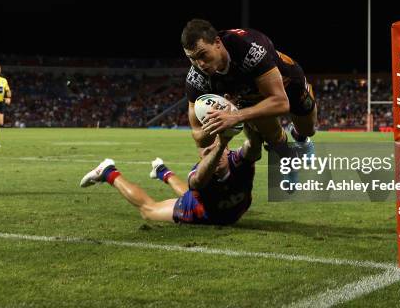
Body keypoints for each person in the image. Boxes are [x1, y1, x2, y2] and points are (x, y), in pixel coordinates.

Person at [181, 19, 316, 159]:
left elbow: (281, 103)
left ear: (217, 42)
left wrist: (235, 116)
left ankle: (300, 137)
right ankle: (288, 163)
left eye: (203, 54)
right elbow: (198, 137)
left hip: (288, 82)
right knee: (273, 137)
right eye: (193, 58)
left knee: (308, 129)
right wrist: (213, 125)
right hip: (249, 95)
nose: (200, 64)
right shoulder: (196, 78)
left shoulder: (249, 48)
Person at [79, 125, 262, 225]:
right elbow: (198, 181)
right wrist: (220, 144)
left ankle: (161, 170)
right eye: (206, 153)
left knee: (192, 194)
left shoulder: (238, 160)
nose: (212, 155)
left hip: (222, 208)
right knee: (148, 210)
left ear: (228, 149)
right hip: (200, 214)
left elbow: (253, 145)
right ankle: (108, 171)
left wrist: (243, 114)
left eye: (216, 149)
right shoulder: (197, 173)